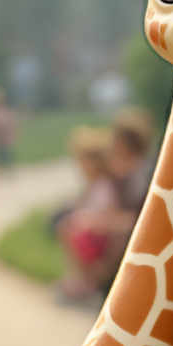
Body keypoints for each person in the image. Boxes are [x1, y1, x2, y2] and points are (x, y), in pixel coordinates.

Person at [56, 126, 117, 302]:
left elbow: (105, 212)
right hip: (91, 231)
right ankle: (79, 280)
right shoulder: (93, 185)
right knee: (66, 226)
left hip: (98, 234)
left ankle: (86, 283)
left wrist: (84, 219)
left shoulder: (104, 185)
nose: (81, 166)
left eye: (83, 161)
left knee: (72, 231)